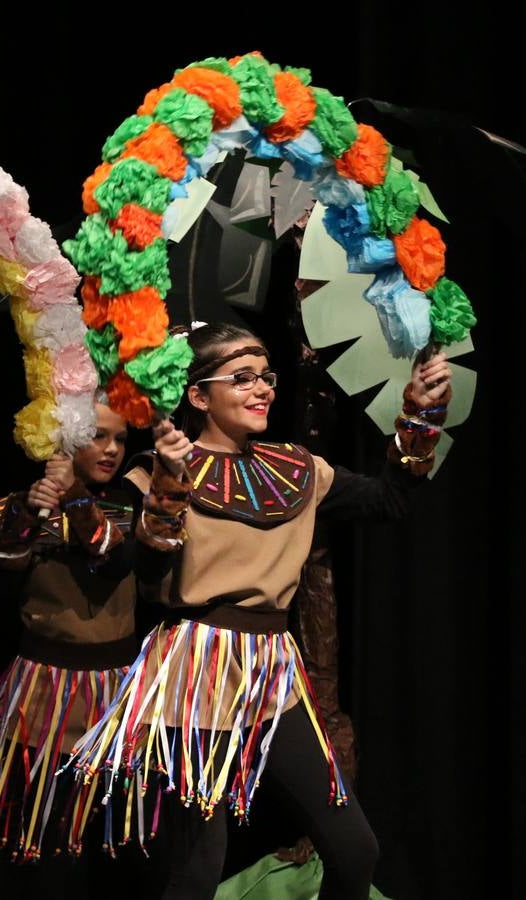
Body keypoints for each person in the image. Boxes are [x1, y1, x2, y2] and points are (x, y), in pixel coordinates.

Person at [71, 323, 451, 899]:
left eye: (266, 377)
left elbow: (388, 499)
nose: (263, 389)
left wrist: (422, 418)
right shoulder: (152, 473)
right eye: (241, 378)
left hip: (272, 672)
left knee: (355, 850)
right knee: (198, 864)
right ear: (199, 397)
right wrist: (170, 485)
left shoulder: (297, 467)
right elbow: (133, 575)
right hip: (196, 670)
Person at [0, 401, 138, 898]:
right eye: (98, 437)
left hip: (111, 696)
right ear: (64, 441)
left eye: (120, 440)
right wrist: (25, 512)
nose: (112, 450)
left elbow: (116, 561)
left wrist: (77, 497)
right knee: (33, 827)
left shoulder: (131, 502)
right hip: (42, 692)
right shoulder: (23, 506)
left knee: (92, 836)